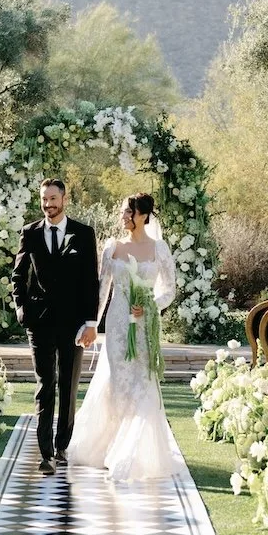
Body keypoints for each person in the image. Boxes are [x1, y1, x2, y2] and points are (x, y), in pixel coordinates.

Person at [67, 192, 186, 482]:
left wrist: (150, 305)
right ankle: (108, 445)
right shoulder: (113, 247)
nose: (122, 216)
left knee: (142, 380)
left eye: (127, 212)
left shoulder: (159, 248)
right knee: (117, 379)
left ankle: (132, 452)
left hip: (144, 324)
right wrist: (92, 324)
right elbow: (102, 290)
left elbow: (169, 289)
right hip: (117, 323)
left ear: (142, 215)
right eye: (122, 212)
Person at [11, 178, 99, 476]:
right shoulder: (30, 233)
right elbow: (18, 275)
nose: (47, 204)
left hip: (73, 324)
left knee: (68, 385)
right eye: (44, 199)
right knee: (45, 384)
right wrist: (21, 309)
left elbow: (91, 281)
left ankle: (63, 445)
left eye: (52, 198)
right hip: (39, 322)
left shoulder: (83, 234)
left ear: (64, 199)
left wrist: (90, 322)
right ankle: (46, 453)